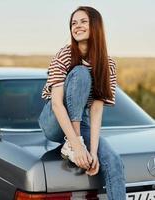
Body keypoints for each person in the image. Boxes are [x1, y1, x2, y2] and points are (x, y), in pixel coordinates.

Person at [40, 6, 126, 200]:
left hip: (83, 121)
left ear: (95, 25)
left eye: (83, 21)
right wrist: (77, 146)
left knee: (113, 160)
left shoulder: (108, 64)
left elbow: (96, 110)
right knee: (80, 73)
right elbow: (56, 104)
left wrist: (93, 152)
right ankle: (73, 142)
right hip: (53, 119)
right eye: (73, 23)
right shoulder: (64, 54)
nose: (77, 26)